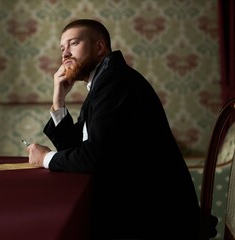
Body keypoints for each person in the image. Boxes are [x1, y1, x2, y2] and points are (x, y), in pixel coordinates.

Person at [26, 19, 202, 239]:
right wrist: (59, 99)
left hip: (152, 218)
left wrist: (45, 159)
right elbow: (76, 148)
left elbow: (93, 158)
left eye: (74, 43)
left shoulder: (115, 82)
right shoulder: (104, 81)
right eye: (62, 48)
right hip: (133, 206)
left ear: (100, 47)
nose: (65, 54)